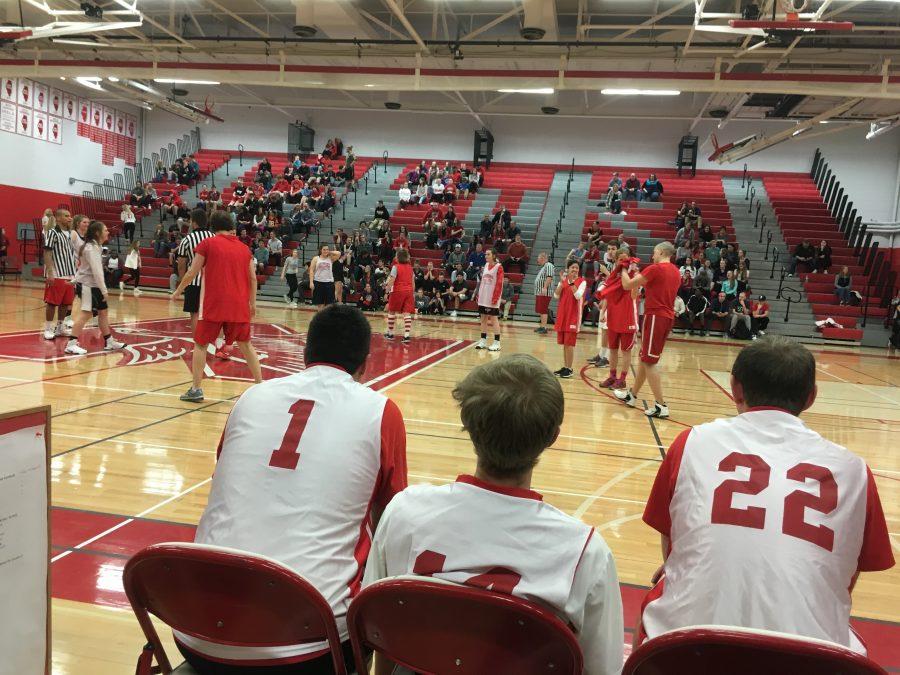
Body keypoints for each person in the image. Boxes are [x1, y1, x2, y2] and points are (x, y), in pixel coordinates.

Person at [180, 305, 408, 674]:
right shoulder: (381, 411)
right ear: (365, 364)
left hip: (194, 629)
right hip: (308, 649)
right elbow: (391, 522)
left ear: (306, 353)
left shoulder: (251, 397)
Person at [364, 354, 624, 675]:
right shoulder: (587, 554)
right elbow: (603, 669)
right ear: (552, 437)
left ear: (469, 427)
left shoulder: (404, 511)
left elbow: (377, 628)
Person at [637, 336, 894, 652]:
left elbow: (672, 541)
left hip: (688, 653)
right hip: (813, 661)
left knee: (662, 592)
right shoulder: (854, 470)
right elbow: (845, 575)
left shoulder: (692, 441)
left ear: (735, 388)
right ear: (811, 397)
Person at [173, 211, 263, 402]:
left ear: (213, 227)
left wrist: (178, 291)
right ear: (230, 225)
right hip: (239, 304)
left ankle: (196, 389)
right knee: (246, 345)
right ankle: (260, 386)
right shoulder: (244, 248)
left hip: (213, 304)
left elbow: (191, 272)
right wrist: (252, 304)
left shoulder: (207, 244)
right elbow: (253, 278)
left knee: (201, 344)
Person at [614, 242, 681, 419]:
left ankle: (661, 405)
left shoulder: (656, 269)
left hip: (655, 317)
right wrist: (636, 274)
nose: (652, 256)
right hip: (666, 317)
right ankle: (632, 395)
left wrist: (622, 268)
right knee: (645, 357)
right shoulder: (675, 271)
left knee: (649, 362)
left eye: (653, 252)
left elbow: (627, 286)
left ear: (660, 252)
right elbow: (635, 292)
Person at [64, 221, 125, 355]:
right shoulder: (91, 248)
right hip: (89, 287)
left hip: (93, 286)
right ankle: (71, 344)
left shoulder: (95, 247)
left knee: (103, 313)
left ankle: (109, 341)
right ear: (98, 233)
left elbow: (83, 268)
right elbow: (97, 272)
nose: (108, 232)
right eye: (105, 230)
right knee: (86, 314)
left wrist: (75, 280)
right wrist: (104, 290)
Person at [597, 250, 639, 389]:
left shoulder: (635, 275)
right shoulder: (613, 278)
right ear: (616, 261)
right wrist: (603, 312)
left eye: (624, 259)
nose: (622, 262)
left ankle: (622, 379)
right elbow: (608, 295)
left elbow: (634, 296)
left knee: (626, 351)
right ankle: (612, 377)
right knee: (613, 349)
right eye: (619, 260)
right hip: (614, 317)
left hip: (627, 318)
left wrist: (632, 278)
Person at [176, 209, 215, 331]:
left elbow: (181, 264)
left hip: (193, 282)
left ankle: (198, 346)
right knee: (213, 315)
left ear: (194, 222)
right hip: (212, 282)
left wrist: (183, 282)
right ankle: (215, 346)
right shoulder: (214, 237)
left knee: (194, 314)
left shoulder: (187, 239)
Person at [42, 209, 77, 340]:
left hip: (70, 273)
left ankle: (60, 327)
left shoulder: (69, 233)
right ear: (58, 218)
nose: (70, 218)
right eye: (66, 216)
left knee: (65, 303)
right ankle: (47, 329)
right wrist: (50, 272)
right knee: (52, 302)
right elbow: (47, 253)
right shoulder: (52, 233)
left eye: (70, 215)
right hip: (57, 273)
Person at [551, 262, 586, 378]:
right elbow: (556, 296)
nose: (575, 269)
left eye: (577, 268)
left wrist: (570, 282)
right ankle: (565, 367)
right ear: (568, 269)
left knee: (569, 344)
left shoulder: (582, 282)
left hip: (573, 317)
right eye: (573, 267)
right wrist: (562, 283)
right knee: (565, 344)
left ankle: (570, 369)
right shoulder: (564, 281)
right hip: (563, 315)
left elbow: (578, 296)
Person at [384, 248, 415, 344]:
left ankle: (390, 333)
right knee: (407, 313)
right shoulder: (410, 267)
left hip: (398, 291)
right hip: (409, 291)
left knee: (391, 311)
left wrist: (387, 291)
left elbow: (392, 280)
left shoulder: (395, 267)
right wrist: (412, 293)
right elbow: (413, 282)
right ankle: (406, 336)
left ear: (398, 257)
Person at [475, 249, 504, 352]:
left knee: (493, 319)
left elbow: (499, 284)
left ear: (494, 255)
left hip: (492, 298)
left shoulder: (499, 267)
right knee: (483, 319)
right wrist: (479, 294)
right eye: (485, 254)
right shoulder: (486, 265)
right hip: (483, 297)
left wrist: (495, 297)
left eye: (488, 254)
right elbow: (482, 282)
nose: (486, 256)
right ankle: (483, 340)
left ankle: (497, 342)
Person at [308, 244, 341, 310]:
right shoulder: (316, 258)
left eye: (327, 249)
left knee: (329, 304)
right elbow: (311, 270)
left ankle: (327, 318)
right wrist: (311, 282)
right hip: (318, 282)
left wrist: (330, 252)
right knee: (320, 304)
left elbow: (339, 253)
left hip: (329, 283)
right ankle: (320, 318)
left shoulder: (331, 258)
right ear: (320, 250)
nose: (326, 251)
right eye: (324, 249)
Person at [533, 252, 555, 334]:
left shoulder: (549, 265)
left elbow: (549, 277)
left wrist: (545, 288)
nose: (537, 260)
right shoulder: (544, 267)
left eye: (538, 258)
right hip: (540, 292)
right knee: (541, 310)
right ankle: (542, 326)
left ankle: (544, 327)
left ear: (543, 258)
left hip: (545, 292)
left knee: (543, 310)